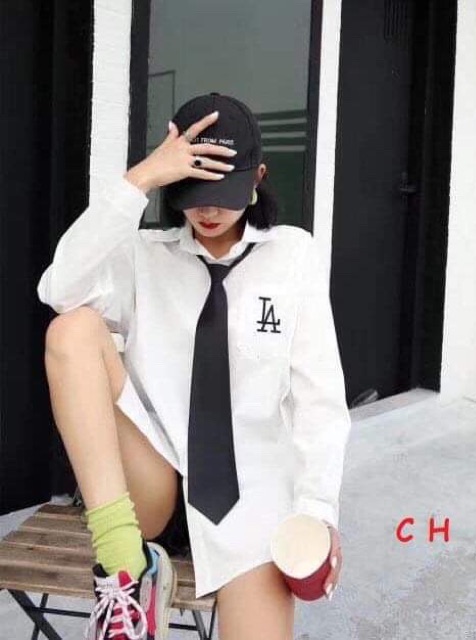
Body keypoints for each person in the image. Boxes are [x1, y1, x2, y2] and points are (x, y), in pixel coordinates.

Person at [37, 92, 351, 640]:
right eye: (191, 192)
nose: (207, 211)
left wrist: (317, 509)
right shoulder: (144, 255)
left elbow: (318, 399)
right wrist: (139, 180)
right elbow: (58, 288)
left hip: (250, 501)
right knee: (72, 329)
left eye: (222, 195)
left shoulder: (293, 256)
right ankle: (125, 566)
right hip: (149, 483)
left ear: (257, 178)